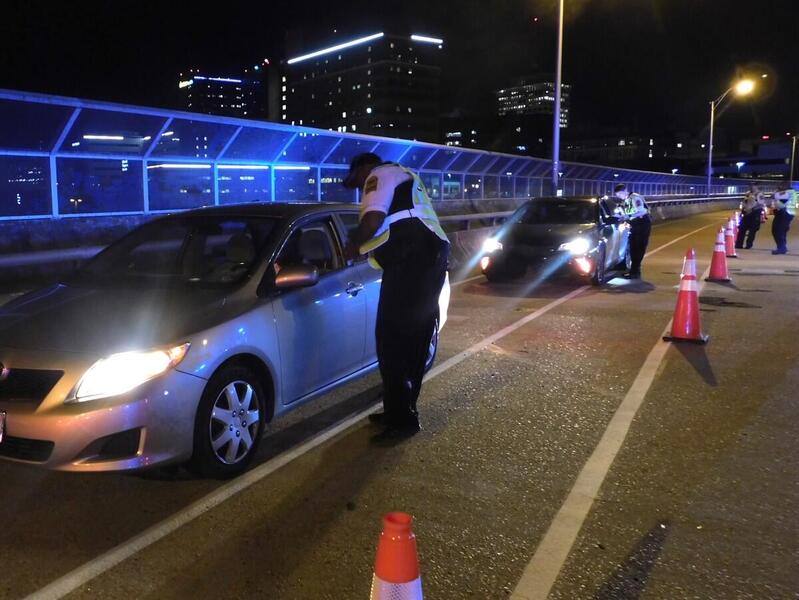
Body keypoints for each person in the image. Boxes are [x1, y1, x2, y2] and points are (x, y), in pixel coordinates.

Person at [343, 152, 450, 443]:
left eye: (356, 181)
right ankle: (400, 411)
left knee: (392, 341)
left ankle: (402, 419)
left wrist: (352, 246)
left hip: (413, 259)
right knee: (412, 340)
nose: (358, 188)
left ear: (364, 167)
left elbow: (373, 220)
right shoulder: (403, 177)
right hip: (426, 259)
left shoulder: (379, 175)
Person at [614, 184, 651, 279]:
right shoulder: (626, 200)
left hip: (642, 224)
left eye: (620, 194)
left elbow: (642, 211)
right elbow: (628, 211)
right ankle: (634, 271)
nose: (619, 197)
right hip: (635, 225)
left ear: (625, 191)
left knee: (638, 248)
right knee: (633, 248)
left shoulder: (635, 198)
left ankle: (635, 272)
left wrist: (629, 217)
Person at [736, 185, 765, 249]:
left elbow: (761, 204)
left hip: (754, 214)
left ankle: (748, 245)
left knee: (752, 230)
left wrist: (752, 210)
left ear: (757, 187)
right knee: (741, 229)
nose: (751, 187)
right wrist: (743, 210)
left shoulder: (759, 194)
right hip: (746, 213)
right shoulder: (747, 193)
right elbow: (744, 202)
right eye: (751, 186)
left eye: (753, 186)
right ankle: (738, 244)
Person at [771, 183, 797, 255]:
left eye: (781, 186)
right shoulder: (792, 193)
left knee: (777, 230)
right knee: (781, 231)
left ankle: (782, 248)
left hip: (784, 213)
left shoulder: (787, 192)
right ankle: (782, 247)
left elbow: (774, 196)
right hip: (788, 213)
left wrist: (776, 193)